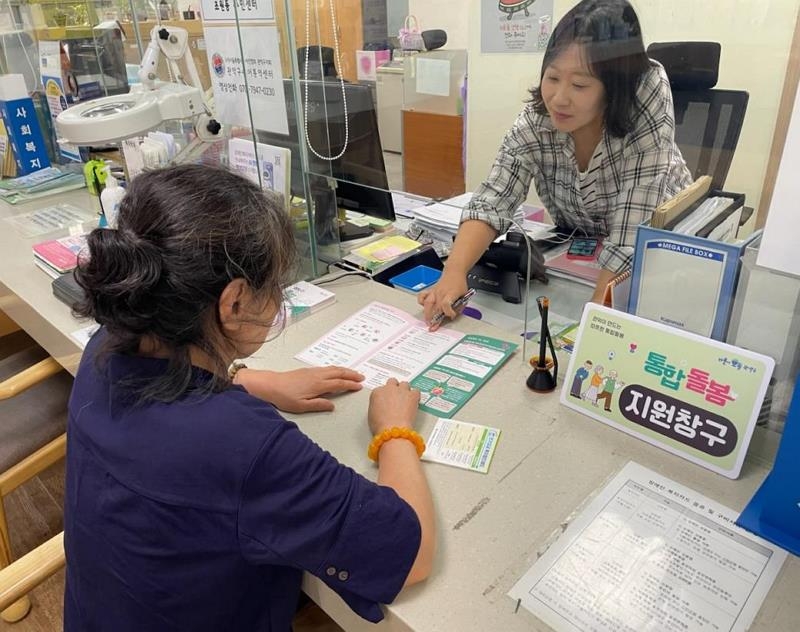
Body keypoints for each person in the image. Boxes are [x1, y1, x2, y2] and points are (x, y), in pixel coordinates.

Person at [65, 164, 435, 631]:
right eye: (276, 287)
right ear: (234, 302)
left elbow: (172, 413)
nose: (278, 300)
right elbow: (410, 554)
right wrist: (395, 432)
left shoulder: (110, 341)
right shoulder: (243, 446)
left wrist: (249, 378)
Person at [420, 0, 692, 326]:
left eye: (579, 85)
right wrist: (454, 272)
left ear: (614, 88)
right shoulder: (538, 118)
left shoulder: (644, 98)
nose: (559, 98)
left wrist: (594, 326)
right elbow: (495, 197)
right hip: (579, 256)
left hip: (659, 259)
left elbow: (632, 234)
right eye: (552, 77)